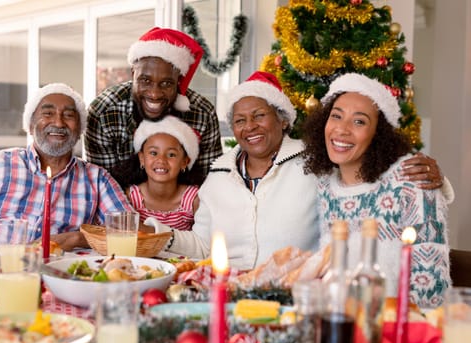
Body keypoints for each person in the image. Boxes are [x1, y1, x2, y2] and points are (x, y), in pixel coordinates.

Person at [142, 71, 449, 272]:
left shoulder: (316, 162)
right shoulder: (218, 176)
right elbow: (203, 244)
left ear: (283, 119)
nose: (249, 127)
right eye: (239, 120)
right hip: (231, 288)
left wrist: (435, 180)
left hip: (295, 293)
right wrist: (160, 235)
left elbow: (363, 180)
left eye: (259, 115)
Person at [301, 73, 450, 308]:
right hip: (336, 324)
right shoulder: (324, 183)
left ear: (378, 134)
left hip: (393, 331)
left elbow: (430, 292)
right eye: (336, 116)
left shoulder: (412, 180)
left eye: (359, 121)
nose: (342, 129)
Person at [0, 83, 132, 253]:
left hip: (61, 280)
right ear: (30, 124)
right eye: (48, 113)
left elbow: (131, 231)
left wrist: (77, 237)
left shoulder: (97, 179)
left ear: (80, 128)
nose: (59, 123)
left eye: (68, 115)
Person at [85, 27, 223, 181]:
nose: (154, 94)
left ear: (178, 81)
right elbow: (103, 186)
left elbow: (211, 183)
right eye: (145, 80)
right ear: (133, 74)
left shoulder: (203, 113)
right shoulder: (104, 112)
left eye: (166, 83)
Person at [112, 115, 200, 230]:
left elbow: (202, 239)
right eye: (153, 153)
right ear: (142, 158)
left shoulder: (194, 199)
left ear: (184, 162)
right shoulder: (130, 197)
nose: (161, 160)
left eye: (171, 155)